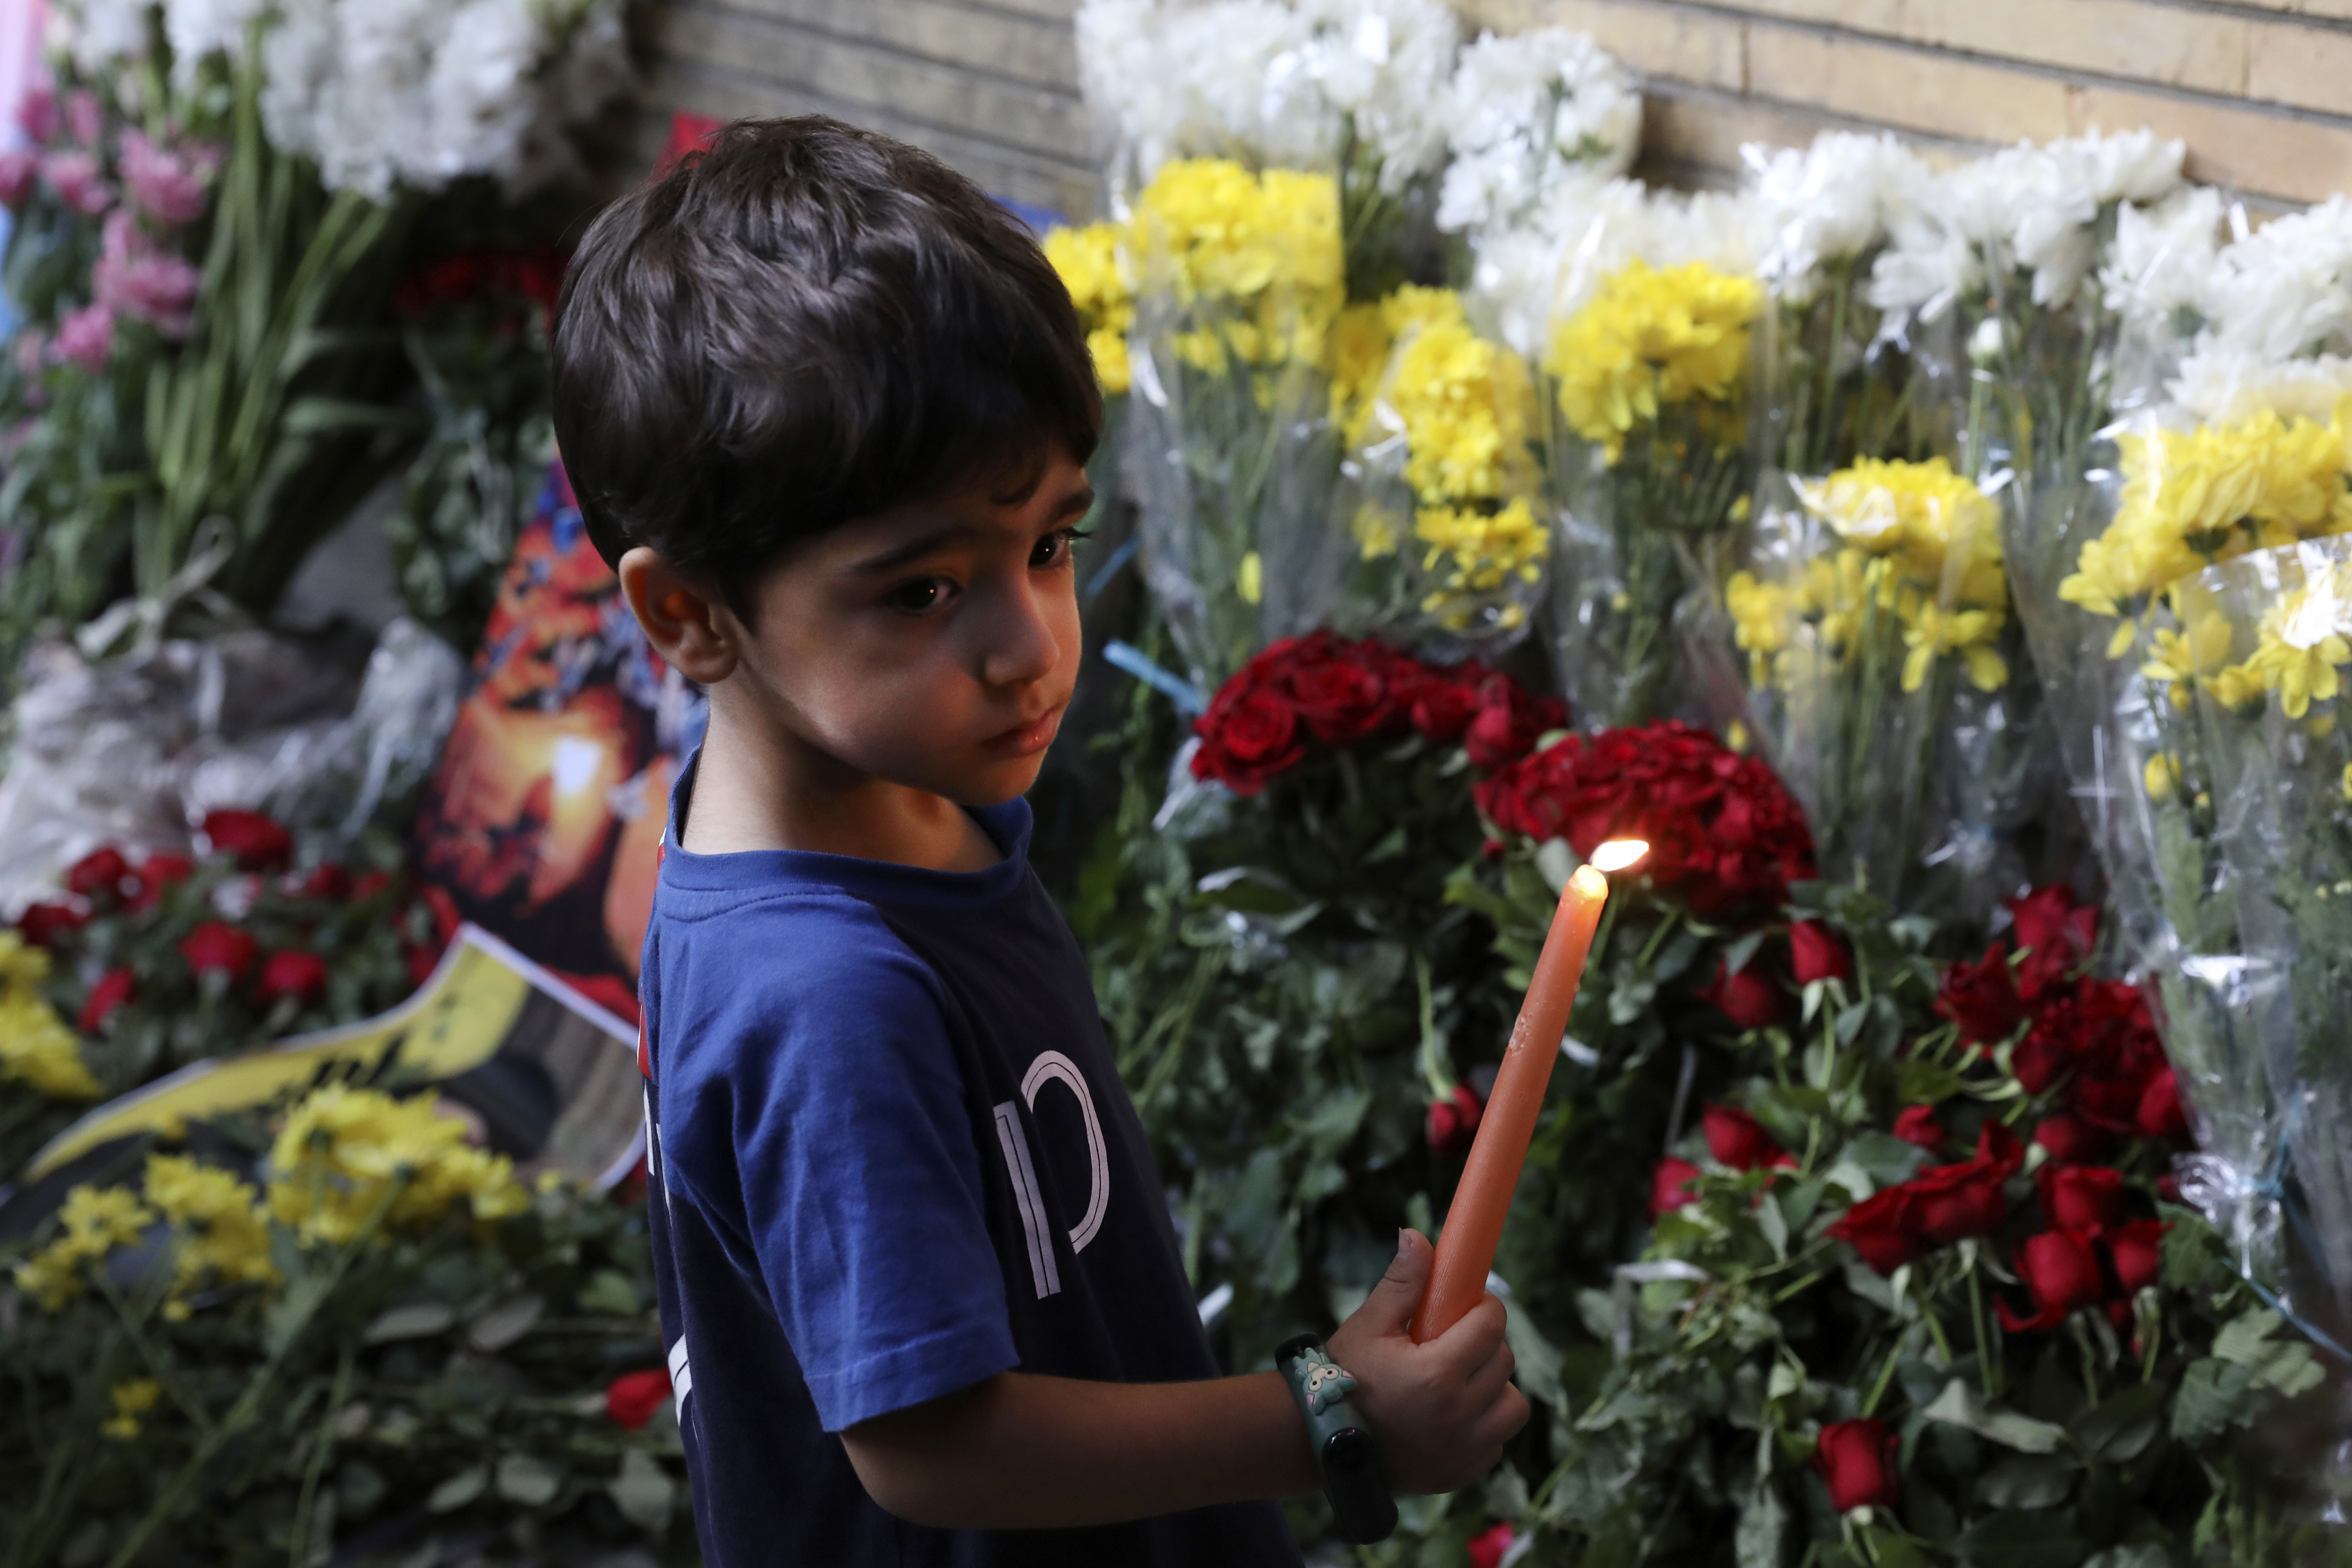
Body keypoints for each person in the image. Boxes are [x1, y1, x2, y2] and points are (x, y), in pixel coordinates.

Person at [550, 115, 1528, 1566]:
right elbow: (932, 1441)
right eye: (926, 591)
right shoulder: (829, 993)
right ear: (690, 614)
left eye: (1051, 545)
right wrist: (1326, 1412)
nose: (1032, 646)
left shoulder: (894, 801)